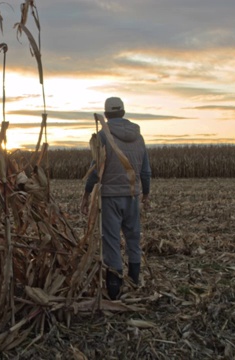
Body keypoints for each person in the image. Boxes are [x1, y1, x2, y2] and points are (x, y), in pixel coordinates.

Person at [81, 97, 151, 300]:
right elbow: (145, 171)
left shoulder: (103, 136)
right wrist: (145, 193)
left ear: (106, 115)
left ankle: (114, 291)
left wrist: (86, 193)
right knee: (133, 238)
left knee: (111, 242)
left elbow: (95, 171)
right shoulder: (139, 137)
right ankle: (135, 282)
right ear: (123, 112)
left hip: (110, 197)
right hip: (132, 196)